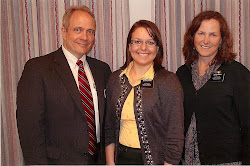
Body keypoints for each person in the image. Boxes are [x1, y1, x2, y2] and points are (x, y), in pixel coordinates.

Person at [16, 5, 111, 165]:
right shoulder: (38, 69)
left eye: (90, 31)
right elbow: (30, 132)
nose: (85, 37)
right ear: (64, 32)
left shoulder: (102, 70)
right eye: (78, 30)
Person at [104, 20, 184, 165]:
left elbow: (175, 135)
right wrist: (110, 163)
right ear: (129, 46)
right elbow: (109, 128)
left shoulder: (168, 81)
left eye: (150, 42)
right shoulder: (115, 79)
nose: (143, 47)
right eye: (137, 41)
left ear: (158, 48)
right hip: (120, 160)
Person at [176, 11, 250, 165]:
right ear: (193, 37)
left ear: (222, 40)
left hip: (227, 161)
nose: (206, 40)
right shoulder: (182, 73)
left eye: (213, 35)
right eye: (201, 33)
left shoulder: (237, 73)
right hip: (188, 161)